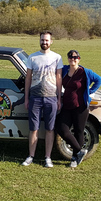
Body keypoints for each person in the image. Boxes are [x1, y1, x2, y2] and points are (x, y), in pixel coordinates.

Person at [21, 31, 63, 168]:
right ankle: (31, 156)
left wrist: (59, 99)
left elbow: (59, 78)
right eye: (42, 40)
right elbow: (28, 78)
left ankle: (47, 158)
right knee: (34, 128)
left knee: (50, 129)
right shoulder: (32, 58)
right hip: (35, 98)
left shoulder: (57, 58)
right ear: (39, 41)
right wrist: (26, 98)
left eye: (46, 40)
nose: (44, 42)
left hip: (51, 98)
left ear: (51, 42)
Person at [57, 49, 101, 168]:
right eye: (70, 57)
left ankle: (74, 158)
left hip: (80, 107)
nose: (73, 59)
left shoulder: (85, 72)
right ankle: (80, 150)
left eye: (75, 57)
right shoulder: (65, 70)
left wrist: (90, 91)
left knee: (78, 131)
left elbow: (99, 80)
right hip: (67, 106)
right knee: (62, 129)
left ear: (79, 59)